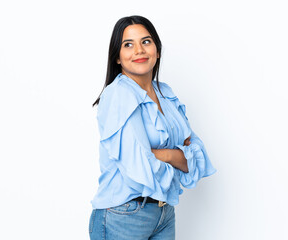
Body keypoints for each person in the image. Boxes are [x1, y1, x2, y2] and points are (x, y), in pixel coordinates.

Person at [89, 15, 216, 240]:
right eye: (128, 44)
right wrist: (177, 157)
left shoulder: (165, 94)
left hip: (163, 213)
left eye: (146, 42)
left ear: (157, 51)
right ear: (117, 57)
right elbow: (138, 166)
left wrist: (163, 154)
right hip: (124, 215)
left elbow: (197, 156)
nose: (139, 50)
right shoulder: (120, 94)